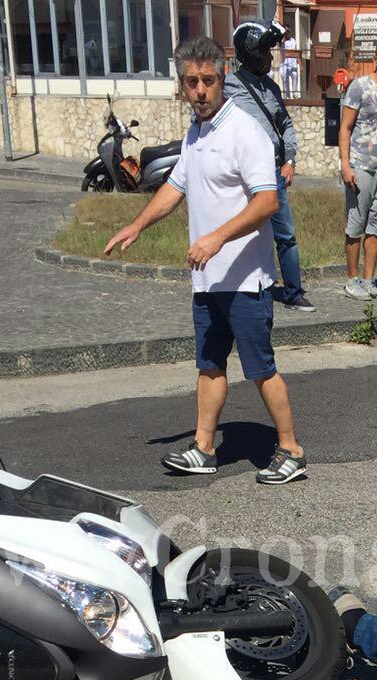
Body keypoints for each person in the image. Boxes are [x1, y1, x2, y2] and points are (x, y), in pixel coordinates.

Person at [104, 36, 307, 485]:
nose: (199, 90)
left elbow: (268, 202)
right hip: (208, 279)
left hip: (246, 278)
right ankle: (204, 447)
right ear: (182, 86)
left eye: (208, 81)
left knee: (260, 368)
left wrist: (216, 238)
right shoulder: (196, 134)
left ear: (222, 80)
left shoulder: (244, 131)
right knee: (211, 364)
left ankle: (291, 449)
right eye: (191, 82)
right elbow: (175, 188)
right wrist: (138, 224)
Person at [224, 19, 315, 312]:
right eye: (264, 53)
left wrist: (289, 160)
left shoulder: (272, 88)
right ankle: (238, 287)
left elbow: (286, 125)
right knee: (241, 233)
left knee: (285, 235)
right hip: (240, 176)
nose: (269, 58)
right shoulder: (228, 87)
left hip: (272, 173)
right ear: (249, 52)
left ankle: (293, 292)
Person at [338, 36, 377, 302]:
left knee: (376, 227)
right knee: (356, 225)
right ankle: (352, 280)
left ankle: (369, 280)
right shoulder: (359, 86)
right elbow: (345, 128)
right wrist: (345, 164)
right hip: (360, 166)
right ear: (376, 58)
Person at [278, 35, 300, 101]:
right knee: (285, 79)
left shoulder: (293, 40)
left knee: (295, 75)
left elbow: (296, 52)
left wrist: (299, 63)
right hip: (284, 64)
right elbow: (279, 44)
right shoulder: (282, 41)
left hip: (293, 64)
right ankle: (287, 95)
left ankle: (295, 93)